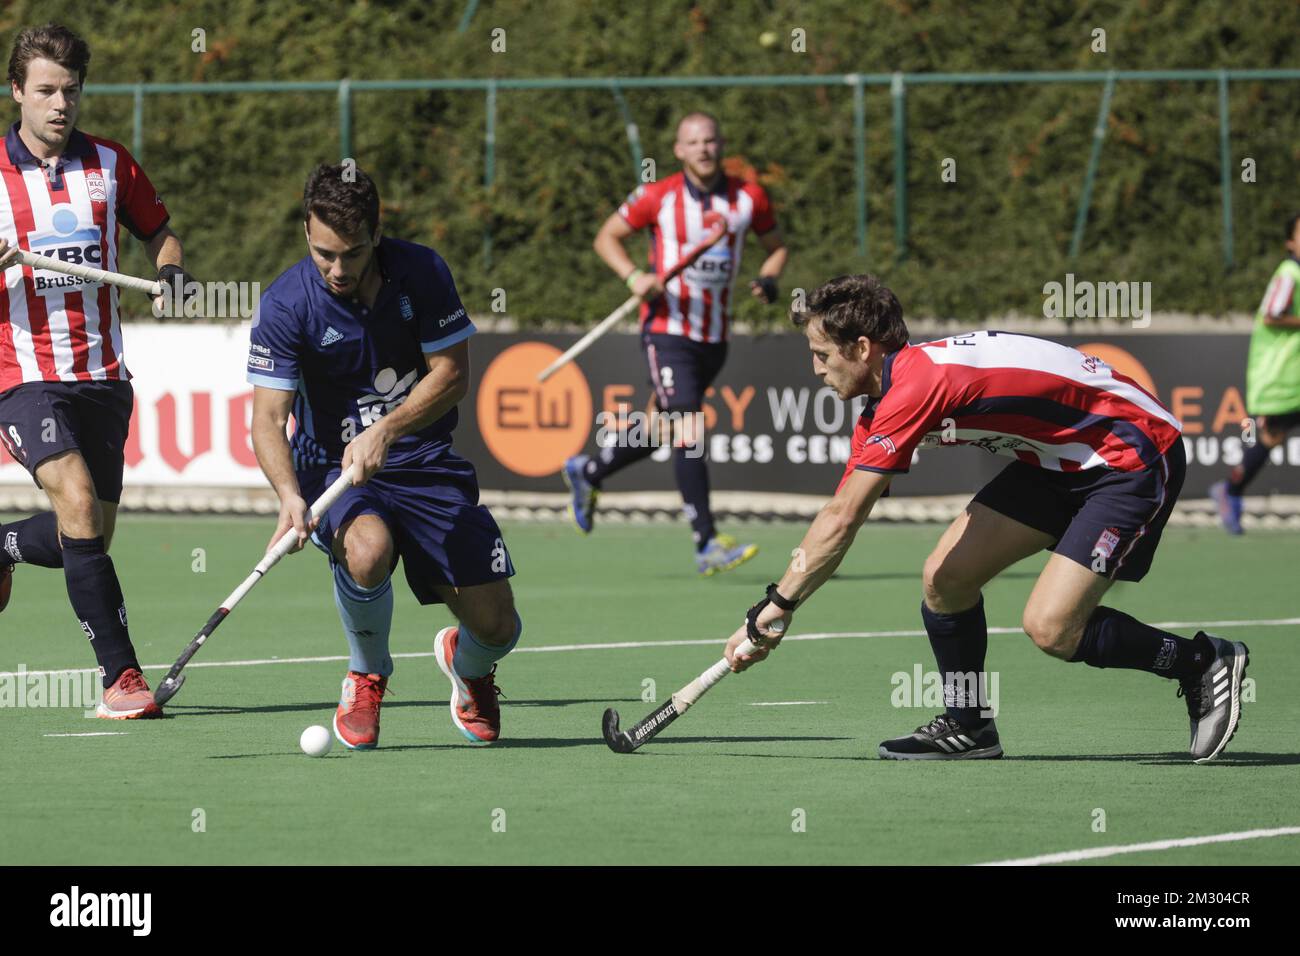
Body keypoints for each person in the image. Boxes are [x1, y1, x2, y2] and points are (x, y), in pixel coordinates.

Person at [724, 274, 1249, 764]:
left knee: (1053, 628)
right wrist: (781, 606)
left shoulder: (916, 386)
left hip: (1128, 454)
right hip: (1054, 459)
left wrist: (777, 604)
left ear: (862, 348)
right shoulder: (886, 400)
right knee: (946, 580)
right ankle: (970, 724)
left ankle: (1200, 662)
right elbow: (841, 515)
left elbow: (843, 519)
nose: (816, 369)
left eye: (821, 354)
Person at [248, 163, 519, 749]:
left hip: (423, 460)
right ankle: (367, 672)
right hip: (333, 470)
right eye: (324, 254)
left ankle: (468, 666)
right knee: (367, 550)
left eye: (350, 254)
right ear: (305, 232)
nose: (337, 269)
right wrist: (290, 495)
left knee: (498, 626)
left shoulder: (420, 272)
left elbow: (452, 375)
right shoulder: (287, 303)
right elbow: (268, 418)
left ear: (376, 234)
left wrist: (387, 430)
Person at [0, 23, 195, 718]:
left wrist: (170, 271)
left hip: (105, 378)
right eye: (46, 90)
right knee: (78, 503)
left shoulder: (111, 165)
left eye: (71, 90)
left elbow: (159, 231)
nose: (60, 104)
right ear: (17, 91)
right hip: (23, 377)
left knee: (87, 533)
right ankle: (122, 678)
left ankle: (5, 545)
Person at [564, 111, 788, 575]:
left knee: (664, 426)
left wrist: (768, 280)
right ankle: (706, 541)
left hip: (714, 337)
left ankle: (588, 472)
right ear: (679, 151)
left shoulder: (748, 198)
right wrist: (633, 276)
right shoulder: (657, 196)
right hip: (668, 332)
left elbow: (776, 245)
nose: (704, 148)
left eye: (710, 140)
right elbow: (606, 237)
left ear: (720, 145)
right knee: (687, 424)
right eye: (694, 142)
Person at [1210, 212, 1300, 534]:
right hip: (1283, 377)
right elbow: (1273, 315)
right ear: (1290, 242)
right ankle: (1230, 490)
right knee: (1270, 438)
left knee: (1270, 439)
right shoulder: (1290, 272)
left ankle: (1229, 490)